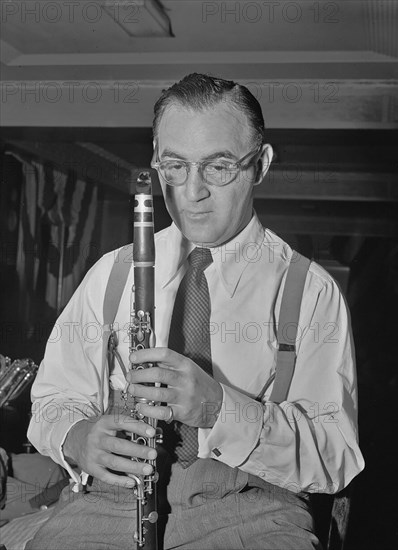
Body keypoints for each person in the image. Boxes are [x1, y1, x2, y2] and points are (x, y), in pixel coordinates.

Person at [27, 73, 364, 550]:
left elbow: (336, 458)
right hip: (110, 503)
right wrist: (79, 437)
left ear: (260, 165)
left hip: (253, 511)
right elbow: (52, 402)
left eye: (219, 166)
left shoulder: (311, 290)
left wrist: (220, 409)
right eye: (175, 166)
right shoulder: (112, 273)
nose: (191, 191)